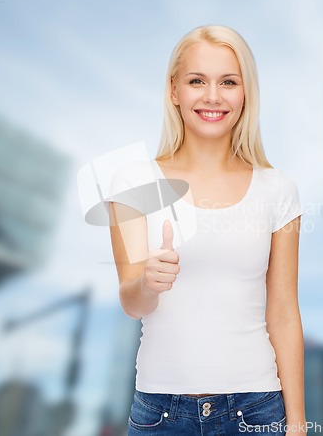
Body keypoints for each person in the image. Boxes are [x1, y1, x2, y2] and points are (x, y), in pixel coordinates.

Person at [109, 25, 306, 435]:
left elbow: (284, 312)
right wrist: (148, 282)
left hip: (257, 411)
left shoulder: (279, 190)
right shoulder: (133, 182)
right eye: (197, 80)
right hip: (159, 414)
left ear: (245, 93)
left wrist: (298, 422)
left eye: (228, 82)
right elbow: (132, 302)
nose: (213, 96)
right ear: (174, 90)